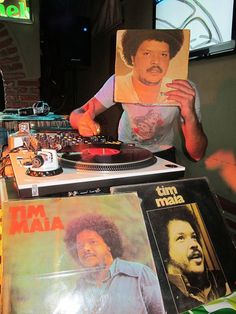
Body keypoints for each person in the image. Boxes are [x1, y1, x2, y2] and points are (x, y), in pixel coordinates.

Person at [70, 29, 207, 162]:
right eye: (147, 53)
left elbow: (197, 154)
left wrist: (190, 115)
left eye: (163, 55)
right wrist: (82, 120)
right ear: (132, 57)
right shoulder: (119, 82)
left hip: (163, 154)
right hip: (126, 149)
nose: (156, 61)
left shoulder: (184, 90)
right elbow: (76, 114)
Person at [58, 213, 165, 314]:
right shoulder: (80, 287)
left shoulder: (139, 274)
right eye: (80, 246)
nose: (85, 248)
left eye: (92, 242)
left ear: (108, 244)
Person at [153, 205, 229, 312]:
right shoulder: (161, 297)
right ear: (164, 251)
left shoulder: (221, 280)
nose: (194, 244)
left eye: (194, 237)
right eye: (181, 238)